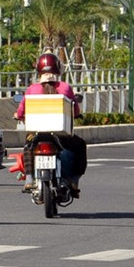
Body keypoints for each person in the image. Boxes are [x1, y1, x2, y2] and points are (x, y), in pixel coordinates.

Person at [14, 52, 87, 196]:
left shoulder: (32, 89)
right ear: (57, 69)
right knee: (80, 146)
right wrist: (77, 114)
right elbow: (75, 109)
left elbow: (21, 110)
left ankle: (29, 179)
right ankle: (74, 180)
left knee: (28, 147)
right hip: (61, 135)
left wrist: (18, 116)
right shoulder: (65, 88)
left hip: (36, 134)